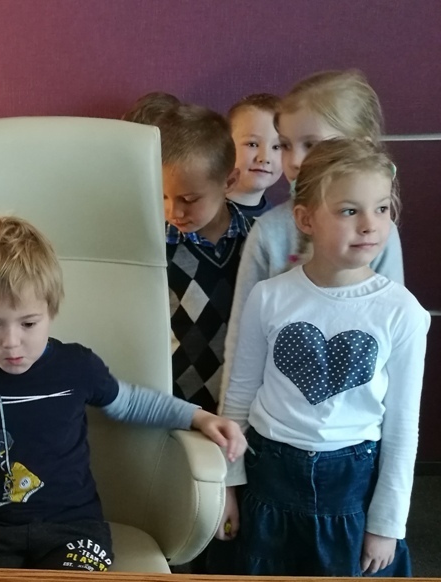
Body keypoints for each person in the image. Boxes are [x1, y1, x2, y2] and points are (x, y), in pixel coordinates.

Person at [0, 216, 246, 571]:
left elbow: (131, 402)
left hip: (74, 528)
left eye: (28, 323)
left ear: (51, 313)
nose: (11, 341)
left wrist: (197, 416)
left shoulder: (76, 367)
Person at [220, 138, 429, 577]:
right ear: (306, 219)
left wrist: (386, 524)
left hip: (353, 488)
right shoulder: (269, 297)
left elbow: (402, 427)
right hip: (268, 479)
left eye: (382, 209)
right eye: (349, 211)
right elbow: (238, 397)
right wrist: (228, 485)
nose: (369, 225)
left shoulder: (402, 311)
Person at [219, 69, 404, 409]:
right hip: (275, 421)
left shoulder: (379, 234)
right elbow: (242, 340)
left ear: (361, 147)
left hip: (356, 426)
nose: (294, 161)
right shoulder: (270, 232)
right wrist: (233, 424)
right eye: (286, 145)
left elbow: (394, 336)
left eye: (311, 145)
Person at [158, 103, 250, 413]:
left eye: (189, 199)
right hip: (175, 408)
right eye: (163, 196)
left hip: (240, 408)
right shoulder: (154, 248)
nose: (174, 211)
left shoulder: (257, 242)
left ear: (229, 182)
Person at [227, 93, 283, 220]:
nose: (265, 158)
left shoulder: (278, 224)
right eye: (252, 144)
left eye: (277, 147)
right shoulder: (199, 214)